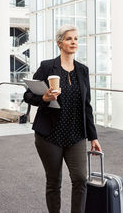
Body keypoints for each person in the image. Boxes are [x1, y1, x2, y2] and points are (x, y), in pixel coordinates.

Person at [24, 24, 102, 213]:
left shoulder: (82, 70)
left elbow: (87, 106)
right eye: (69, 39)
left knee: (80, 179)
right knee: (54, 181)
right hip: (49, 134)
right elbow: (27, 95)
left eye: (76, 38)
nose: (74, 42)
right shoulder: (47, 66)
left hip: (75, 134)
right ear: (59, 43)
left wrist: (93, 137)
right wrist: (44, 98)